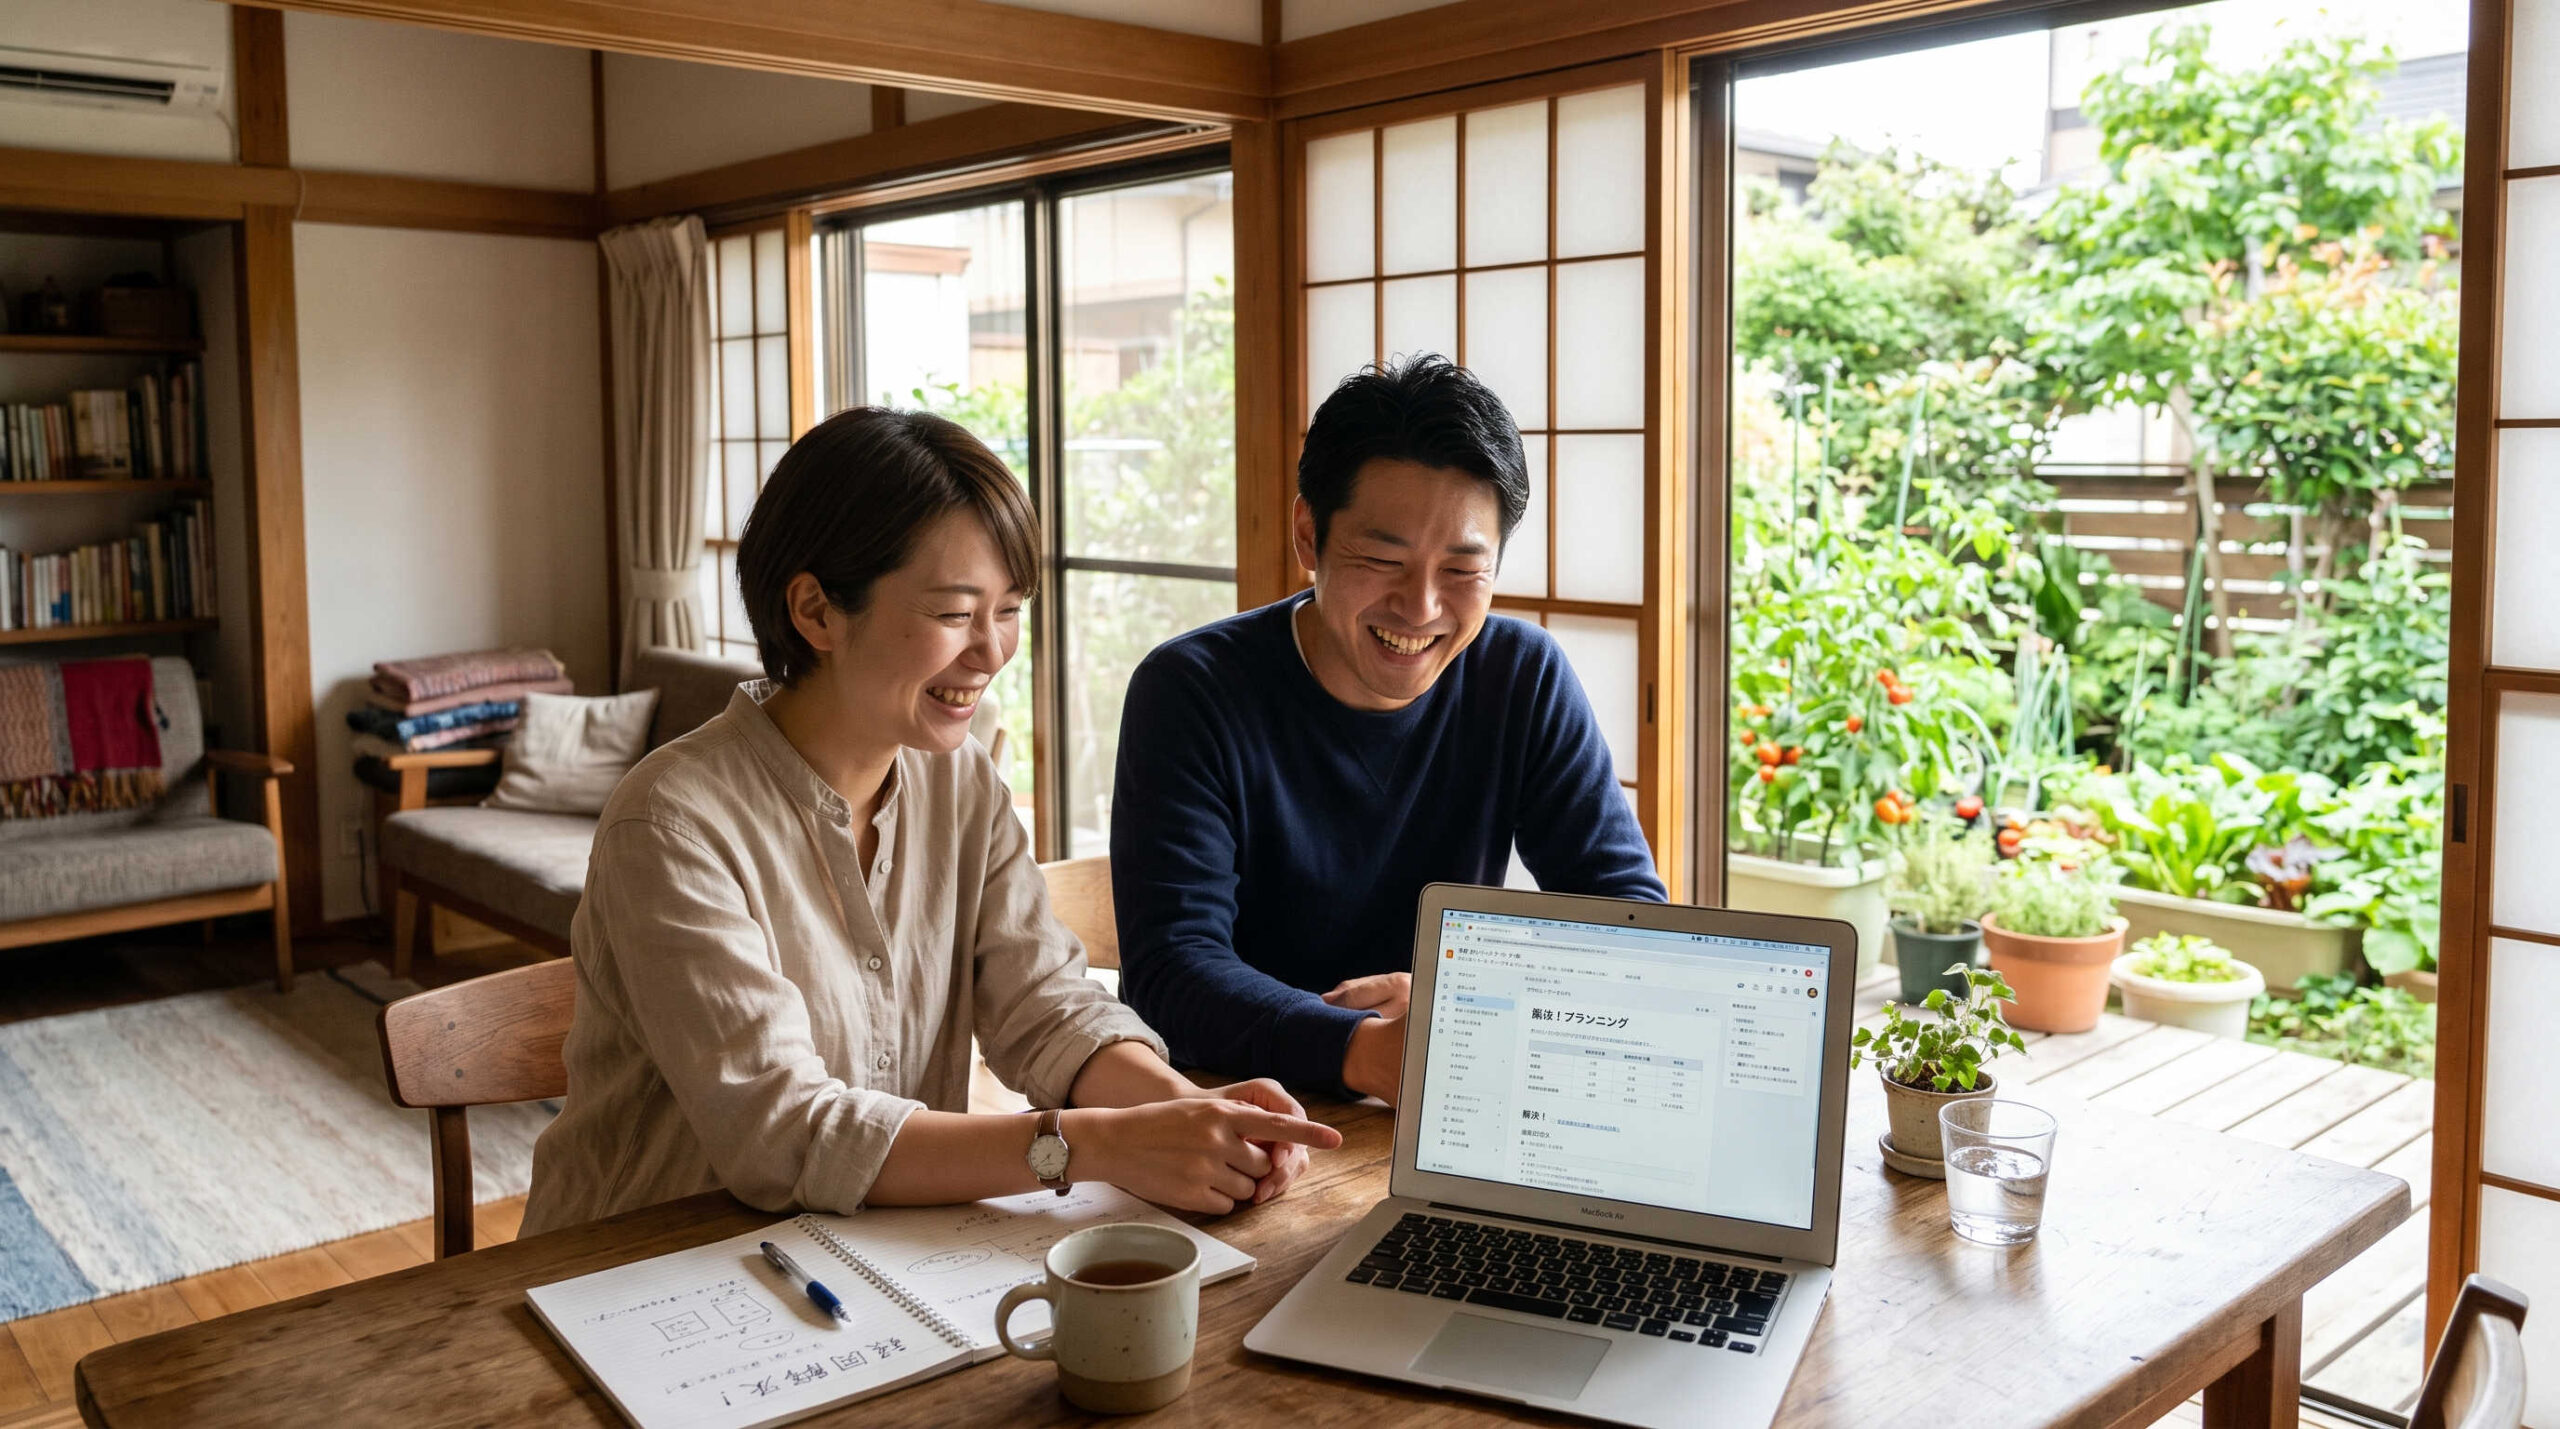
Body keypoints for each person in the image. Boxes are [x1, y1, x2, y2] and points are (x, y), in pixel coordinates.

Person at [521, 407, 1339, 1237]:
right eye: (954, 614)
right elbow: (782, 1131)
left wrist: (1188, 1113)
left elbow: (1046, 1005)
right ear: (815, 611)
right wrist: (1093, 1145)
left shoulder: (961, 780)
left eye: (1008, 608)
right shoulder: (671, 823)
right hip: (633, 1268)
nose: (992, 651)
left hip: (870, 1249)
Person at [1111, 355, 1665, 1108]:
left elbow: (1631, 924)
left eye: (1462, 570)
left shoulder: (1520, 675)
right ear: (1308, 535)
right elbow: (1171, 969)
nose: (1421, 607)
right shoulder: (1192, 690)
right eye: (1382, 559)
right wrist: (1362, 1047)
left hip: (1449, 1103)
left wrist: (1465, 994)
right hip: (1239, 1108)